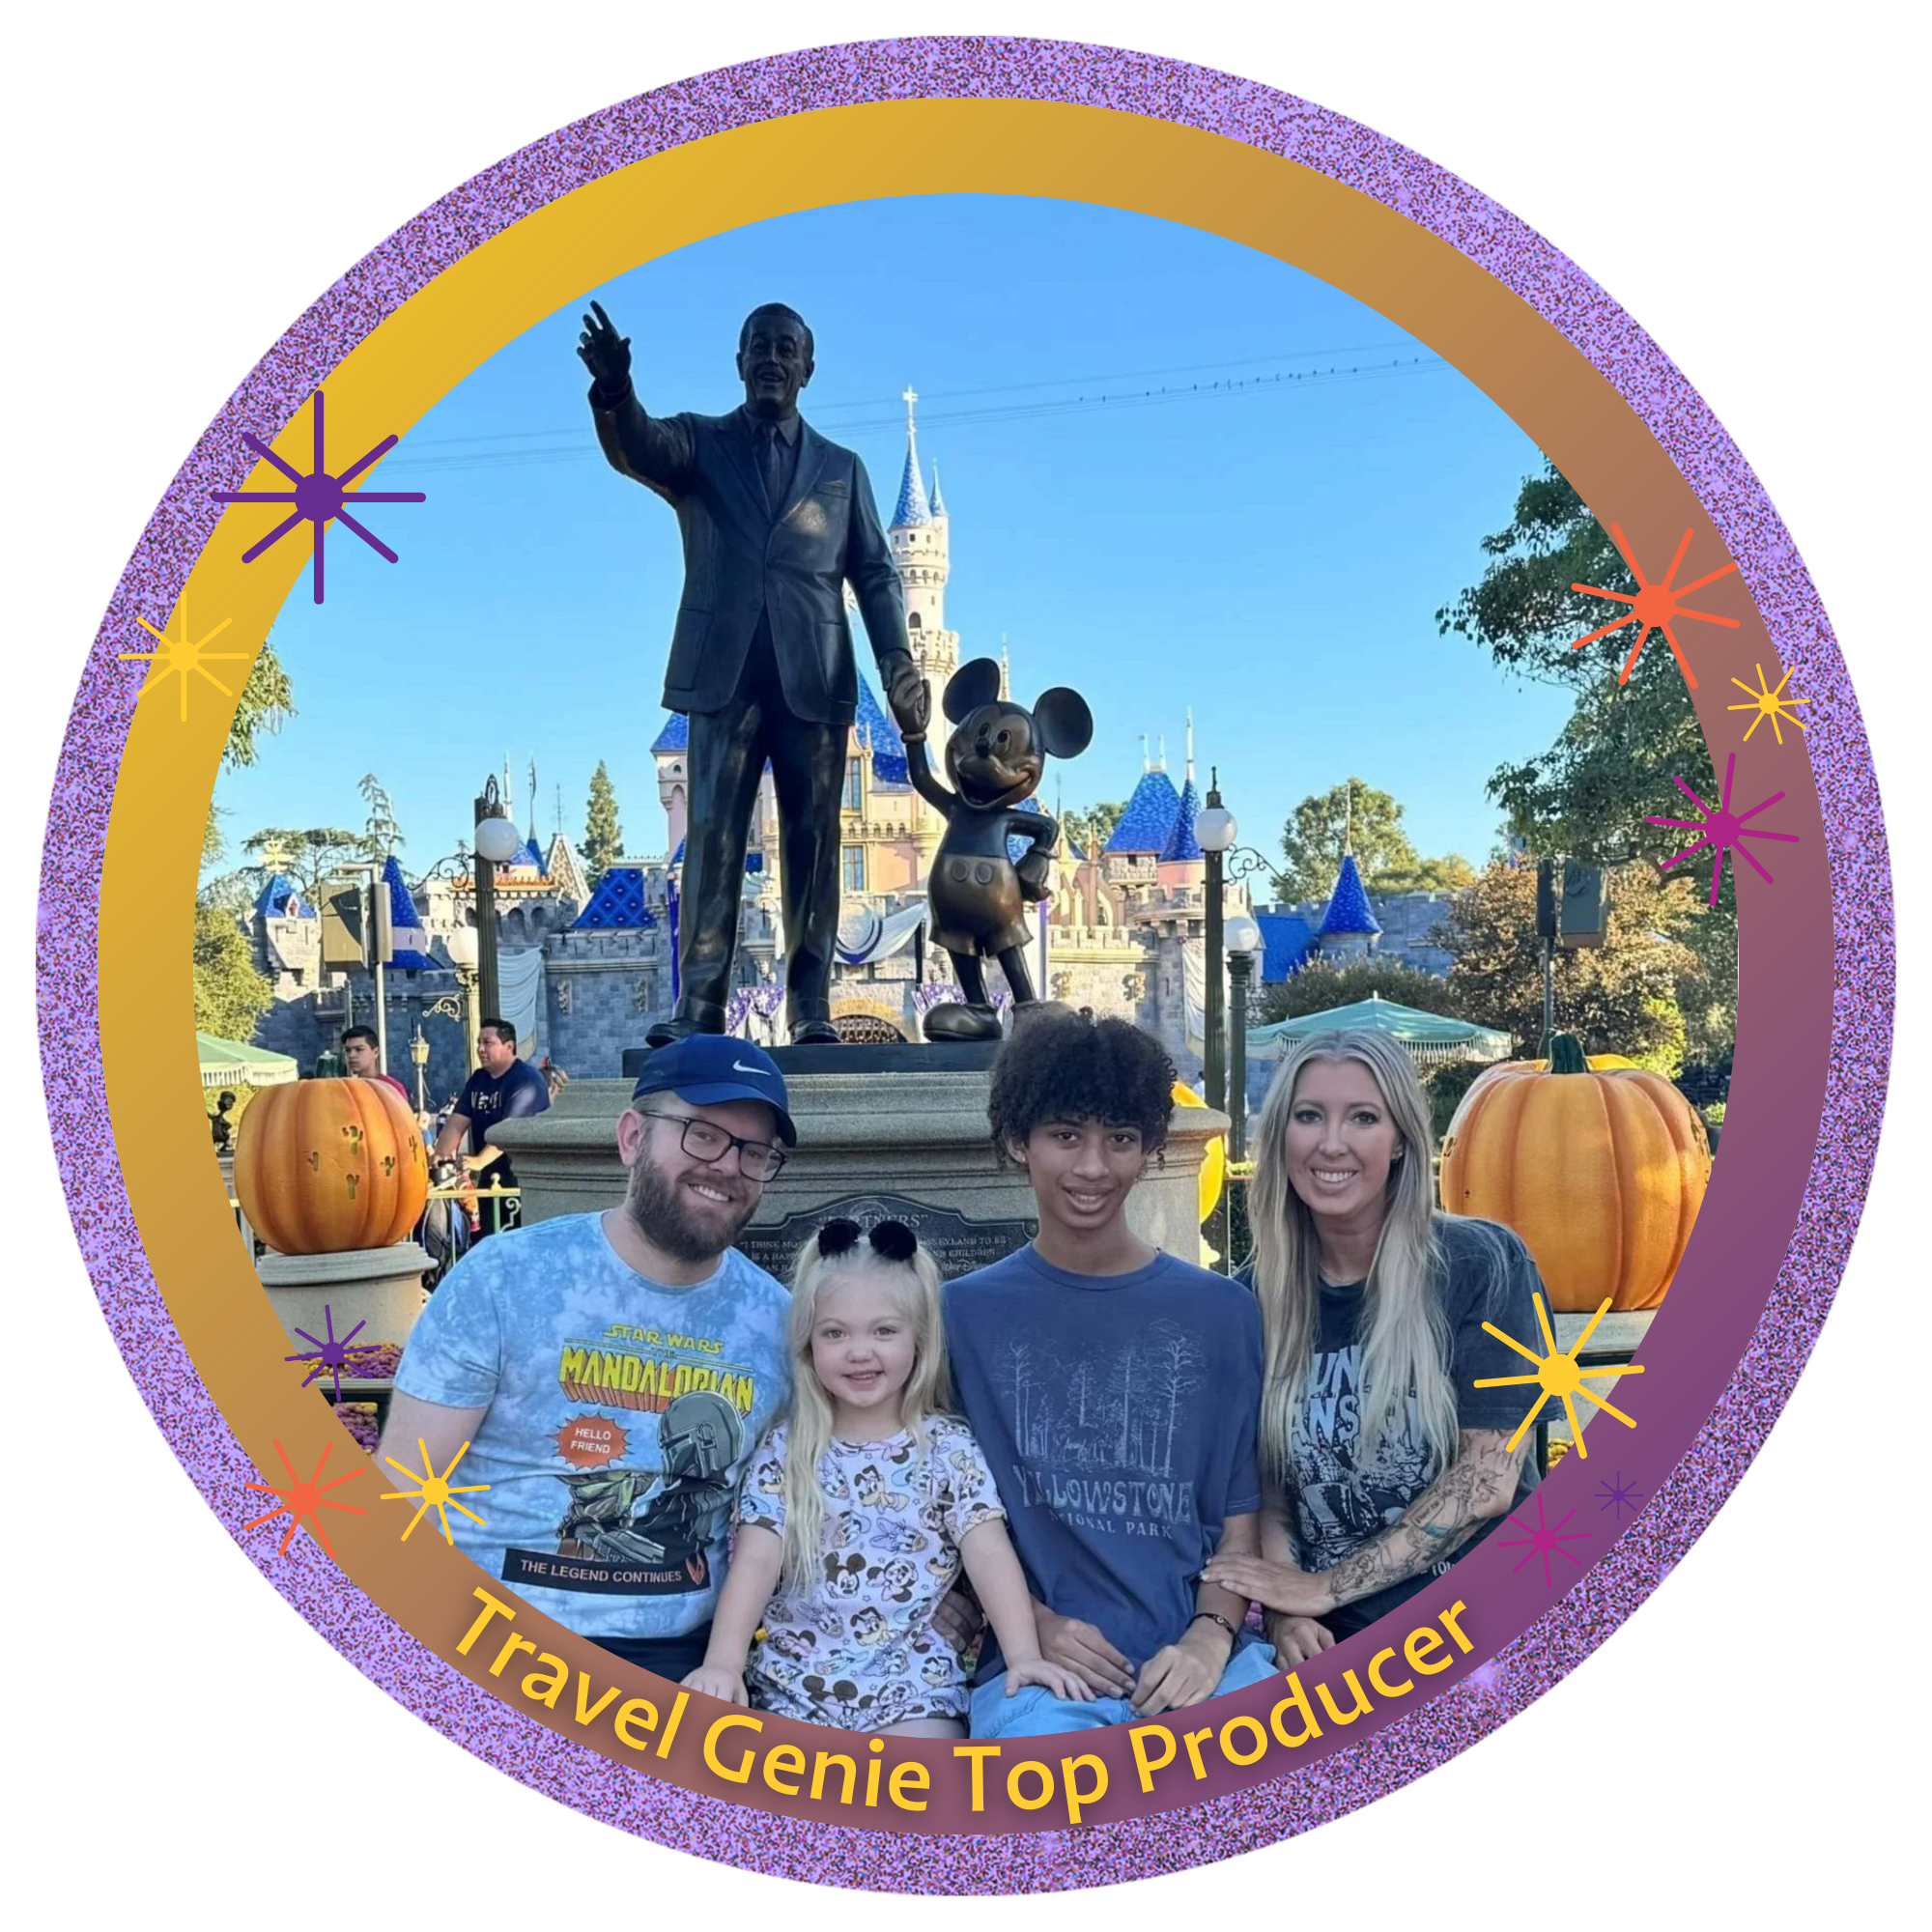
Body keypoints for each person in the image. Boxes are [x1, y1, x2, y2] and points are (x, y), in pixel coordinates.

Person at [382, 1036, 798, 1679]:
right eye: (703, 1135)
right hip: (490, 1643)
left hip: (679, 1666)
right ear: (633, 1137)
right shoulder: (505, 1279)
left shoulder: (779, 1324)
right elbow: (400, 1488)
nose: (728, 1166)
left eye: (755, 1151)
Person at [578, 298, 929, 1047]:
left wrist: (897, 662)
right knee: (711, 835)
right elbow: (637, 446)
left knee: (813, 841)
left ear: (808, 366)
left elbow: (876, 574)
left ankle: (811, 1009)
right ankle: (699, 1006)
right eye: (758, 346)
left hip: (817, 675)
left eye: (786, 347)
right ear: (738, 362)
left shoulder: (843, 469)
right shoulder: (702, 444)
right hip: (722, 673)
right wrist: (615, 392)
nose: (772, 358)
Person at [939, 1009, 1288, 1739]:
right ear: (1018, 1142)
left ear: (1149, 1148)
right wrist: (1031, 1624)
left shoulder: (1222, 1313)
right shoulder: (960, 1319)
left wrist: (1210, 1636)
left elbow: (1238, 1519)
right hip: (1039, 1678)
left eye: (1120, 1139)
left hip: (1203, 1667)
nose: (1093, 1167)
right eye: (1066, 1136)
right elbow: (942, 1515)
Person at [1202, 1030, 1545, 1650]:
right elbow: (1273, 1492)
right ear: (1280, 1138)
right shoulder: (1248, 1298)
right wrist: (1287, 1612)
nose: (1332, 1143)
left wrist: (1323, 1588)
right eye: (1309, 1116)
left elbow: (1487, 1479)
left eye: (1363, 1117)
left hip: (1488, 1623)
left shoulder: (1482, 1264)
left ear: (1401, 1143)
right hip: (1341, 1645)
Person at [683, 1219, 1088, 1736]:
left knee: (917, 1803)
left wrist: (1023, 1654)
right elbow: (758, 1559)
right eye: (835, 1332)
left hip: (914, 1694)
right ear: (808, 1342)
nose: (859, 1351)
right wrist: (722, 1663)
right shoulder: (788, 1448)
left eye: (884, 1331)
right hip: (793, 1691)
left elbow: (988, 1553)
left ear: (919, 1339)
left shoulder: (946, 1447)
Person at [431, 1019, 549, 1238]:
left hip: (521, 1178)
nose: (480, 1049)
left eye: (487, 1043)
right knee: (487, 1237)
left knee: (517, 1239)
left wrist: (478, 1161)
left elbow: (509, 1130)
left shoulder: (526, 1080)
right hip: (490, 1179)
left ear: (509, 1046)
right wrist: (441, 1156)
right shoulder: (478, 1079)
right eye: (478, 1043)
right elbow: (457, 1121)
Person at [341, 1025, 409, 1101]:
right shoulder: (346, 1089)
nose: (351, 1055)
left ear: (375, 1052)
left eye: (359, 1049)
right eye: (347, 1050)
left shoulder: (391, 1088)